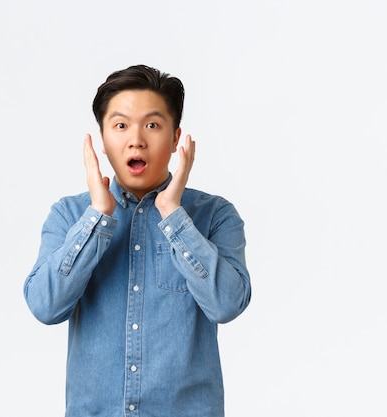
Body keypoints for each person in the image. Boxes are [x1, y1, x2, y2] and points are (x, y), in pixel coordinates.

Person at [23, 64, 252, 417]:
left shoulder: (214, 215)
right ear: (102, 138)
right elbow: (45, 306)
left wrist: (174, 216)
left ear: (176, 138)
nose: (136, 139)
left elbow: (227, 305)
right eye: (120, 125)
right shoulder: (70, 215)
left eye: (152, 125)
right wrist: (99, 215)